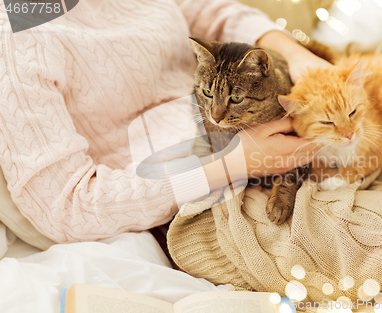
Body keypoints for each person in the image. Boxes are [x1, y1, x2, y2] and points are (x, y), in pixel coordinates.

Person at [0, 0, 332, 243]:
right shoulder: (15, 40)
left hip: (270, 124)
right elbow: (67, 208)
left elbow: (212, 13)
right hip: (196, 196)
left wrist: (297, 54)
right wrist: (233, 163)